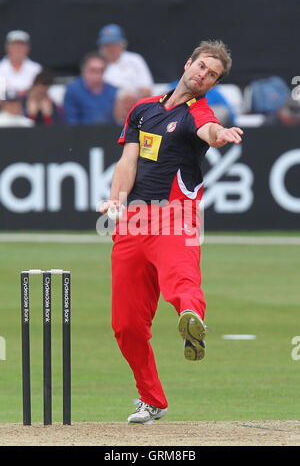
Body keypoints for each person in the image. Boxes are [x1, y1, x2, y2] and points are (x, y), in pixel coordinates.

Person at [99, 40, 243, 424]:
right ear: (188, 63)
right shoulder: (143, 110)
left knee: (181, 281)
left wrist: (220, 134)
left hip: (176, 218)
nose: (203, 76)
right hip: (132, 223)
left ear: (213, 83)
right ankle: (152, 400)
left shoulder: (200, 111)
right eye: (201, 67)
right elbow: (127, 162)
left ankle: (193, 318)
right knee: (126, 325)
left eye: (212, 75)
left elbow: (208, 130)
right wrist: (116, 200)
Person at [64, 52, 122, 125]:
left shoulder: (114, 91)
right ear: (84, 70)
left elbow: (120, 120)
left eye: (100, 70)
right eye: (92, 70)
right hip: (81, 134)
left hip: (110, 133)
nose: (97, 74)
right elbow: (71, 120)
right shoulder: (72, 90)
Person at [97, 24, 154, 99]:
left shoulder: (135, 60)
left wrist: (127, 98)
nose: (111, 48)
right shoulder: (96, 63)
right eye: (107, 45)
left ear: (122, 44)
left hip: (131, 105)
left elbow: (147, 90)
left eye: (114, 44)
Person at [0, 30, 42, 96]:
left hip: (28, 104)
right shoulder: (1, 69)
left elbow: (40, 94)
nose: (18, 49)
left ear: (27, 48)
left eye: (21, 45)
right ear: (7, 47)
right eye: (14, 45)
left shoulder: (36, 69)